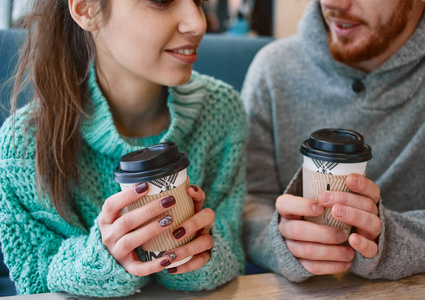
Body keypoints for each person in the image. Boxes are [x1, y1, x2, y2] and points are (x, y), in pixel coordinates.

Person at [0, 0, 247, 297]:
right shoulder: (23, 145)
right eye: (162, 1)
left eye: (198, 1)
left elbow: (232, 252)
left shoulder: (222, 111)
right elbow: (34, 282)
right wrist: (101, 263)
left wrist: (198, 253)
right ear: (86, 9)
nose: (198, 23)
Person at [242, 0, 425, 282]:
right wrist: (280, 241)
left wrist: (387, 242)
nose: (331, 3)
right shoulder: (272, 68)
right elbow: (249, 201)